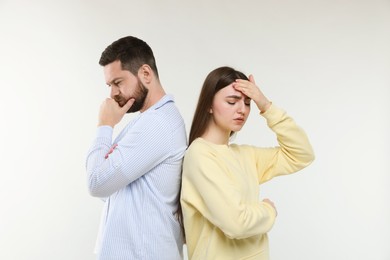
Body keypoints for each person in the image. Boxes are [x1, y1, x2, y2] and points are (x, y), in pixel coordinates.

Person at [180, 66, 315, 260]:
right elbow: (236, 223)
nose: (242, 110)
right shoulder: (200, 154)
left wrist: (266, 105)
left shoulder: (245, 155)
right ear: (209, 105)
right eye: (232, 101)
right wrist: (268, 211)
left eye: (247, 103)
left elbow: (303, 153)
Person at [85, 36, 186, 260]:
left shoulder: (158, 124)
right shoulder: (145, 122)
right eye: (109, 85)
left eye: (118, 82)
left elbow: (97, 182)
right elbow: (111, 191)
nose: (112, 93)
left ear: (146, 74)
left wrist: (104, 125)